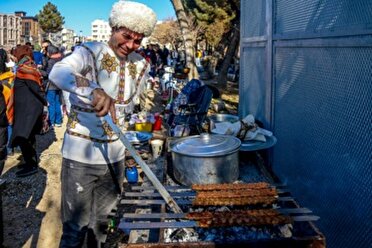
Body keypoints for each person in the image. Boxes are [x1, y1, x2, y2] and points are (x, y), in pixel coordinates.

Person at [49, 1, 157, 246]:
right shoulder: (89, 52)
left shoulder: (141, 64)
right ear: (113, 28)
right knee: (74, 230)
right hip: (80, 158)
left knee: (102, 227)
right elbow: (58, 72)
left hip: (115, 158)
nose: (130, 45)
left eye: (137, 40)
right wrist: (92, 90)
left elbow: (128, 110)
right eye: (126, 36)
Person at [9, 45, 45, 177]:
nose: (13, 56)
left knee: (23, 135)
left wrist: (45, 102)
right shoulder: (24, 66)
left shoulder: (25, 68)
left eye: (15, 54)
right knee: (28, 136)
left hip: (29, 109)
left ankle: (32, 165)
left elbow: (36, 88)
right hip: (25, 108)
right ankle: (30, 161)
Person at [40, 45, 63, 127]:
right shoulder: (60, 59)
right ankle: (58, 121)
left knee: (51, 103)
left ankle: (51, 121)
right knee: (57, 102)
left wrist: (39, 70)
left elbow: (48, 74)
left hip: (51, 85)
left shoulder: (51, 61)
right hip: (59, 84)